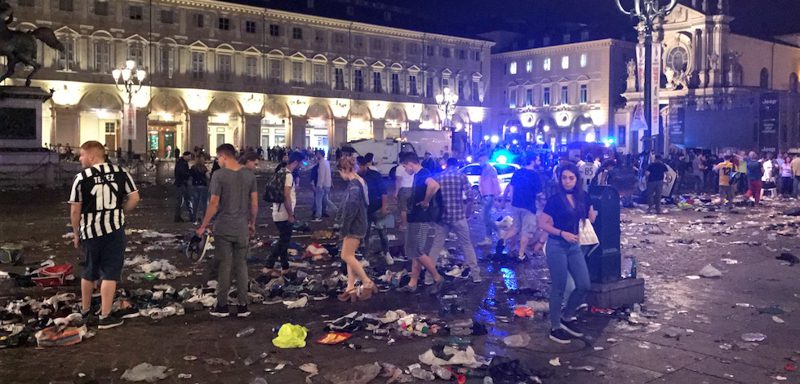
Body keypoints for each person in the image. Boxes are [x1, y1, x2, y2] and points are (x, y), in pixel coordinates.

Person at [69, 141, 140, 329]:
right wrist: (121, 212)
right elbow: (134, 198)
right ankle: (105, 316)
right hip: (114, 230)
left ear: (92, 156)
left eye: (82, 155)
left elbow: (75, 210)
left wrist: (76, 233)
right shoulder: (121, 173)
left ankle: (86, 311)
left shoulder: (81, 178)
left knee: (89, 271)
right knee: (110, 272)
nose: (80, 158)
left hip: (90, 232)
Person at [196, 144, 258, 318]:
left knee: (225, 265)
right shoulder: (249, 175)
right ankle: (243, 305)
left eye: (218, 158)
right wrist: (252, 223)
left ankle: (222, 305)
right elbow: (254, 204)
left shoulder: (219, 175)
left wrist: (203, 225)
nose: (218, 161)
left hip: (224, 227)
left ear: (223, 156)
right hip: (242, 228)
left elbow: (214, 203)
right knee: (241, 265)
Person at [537, 163, 596, 344]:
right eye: (564, 178)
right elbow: (543, 223)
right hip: (557, 245)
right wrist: (562, 233)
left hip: (574, 246)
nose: (567, 181)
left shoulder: (582, 196)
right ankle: (555, 327)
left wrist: (591, 214)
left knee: (584, 284)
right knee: (559, 287)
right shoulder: (555, 200)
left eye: (571, 178)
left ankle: (567, 316)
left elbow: (589, 216)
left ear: (577, 179)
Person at [397, 153, 446, 294]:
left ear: (410, 163)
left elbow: (434, 185)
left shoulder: (423, 174)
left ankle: (437, 278)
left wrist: (426, 201)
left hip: (420, 218)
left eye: (405, 166)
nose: (405, 169)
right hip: (416, 218)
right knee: (414, 252)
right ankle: (413, 283)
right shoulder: (419, 175)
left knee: (417, 251)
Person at [428, 158, 482, 283]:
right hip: (458, 216)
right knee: (467, 244)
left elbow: (431, 196)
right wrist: (468, 211)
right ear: (457, 166)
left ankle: (428, 278)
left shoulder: (438, 177)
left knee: (436, 246)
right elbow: (470, 196)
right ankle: (476, 275)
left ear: (446, 165)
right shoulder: (461, 176)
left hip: (442, 217)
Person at [335, 157, 379, 302]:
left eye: (340, 172)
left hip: (355, 224)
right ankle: (350, 287)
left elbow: (351, 208)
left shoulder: (354, 185)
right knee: (350, 255)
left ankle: (367, 282)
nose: (340, 176)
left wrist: (344, 227)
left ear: (344, 170)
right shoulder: (361, 181)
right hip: (361, 221)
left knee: (346, 255)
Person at [264, 152, 304, 276]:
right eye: (300, 163)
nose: (300, 166)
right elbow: (286, 196)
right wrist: (290, 215)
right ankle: (268, 265)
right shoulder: (288, 175)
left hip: (277, 211)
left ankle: (285, 267)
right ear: (296, 162)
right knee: (283, 241)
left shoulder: (280, 171)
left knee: (284, 241)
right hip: (284, 213)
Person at [500, 153, 544, 261]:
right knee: (526, 232)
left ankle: (502, 240)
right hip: (529, 207)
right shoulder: (535, 176)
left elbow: (511, 188)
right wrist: (543, 203)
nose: (539, 162)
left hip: (516, 204)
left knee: (515, 228)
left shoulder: (518, 173)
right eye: (538, 160)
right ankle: (521, 255)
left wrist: (510, 201)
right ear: (533, 161)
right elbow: (539, 194)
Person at [357, 156, 394, 265]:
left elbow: (383, 191)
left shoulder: (375, 175)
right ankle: (365, 257)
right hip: (364, 210)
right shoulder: (356, 177)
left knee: (382, 232)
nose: (356, 169)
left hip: (377, 208)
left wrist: (384, 206)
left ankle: (387, 253)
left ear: (363, 166)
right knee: (365, 234)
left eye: (357, 166)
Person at [477, 153, 501, 246]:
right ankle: (489, 237)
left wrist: (496, 197)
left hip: (489, 196)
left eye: (481, 160)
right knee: (486, 217)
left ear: (486, 159)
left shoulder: (490, 170)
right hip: (486, 196)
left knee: (485, 217)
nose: (479, 162)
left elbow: (495, 183)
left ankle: (498, 231)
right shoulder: (485, 170)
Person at [395, 152, 415, 229]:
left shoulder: (399, 168)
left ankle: (404, 225)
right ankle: (411, 224)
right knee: (410, 208)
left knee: (403, 209)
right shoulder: (412, 167)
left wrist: (396, 192)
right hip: (412, 189)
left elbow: (398, 181)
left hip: (403, 189)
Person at [313, 149, 333, 221]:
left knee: (318, 201)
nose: (316, 155)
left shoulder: (322, 163)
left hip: (322, 185)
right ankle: (337, 210)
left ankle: (318, 215)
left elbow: (321, 175)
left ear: (320, 155)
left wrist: (319, 185)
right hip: (327, 184)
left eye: (317, 154)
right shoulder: (327, 162)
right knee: (326, 200)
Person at [174, 152, 194, 222]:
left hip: (181, 184)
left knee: (181, 201)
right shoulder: (182, 163)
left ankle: (178, 216)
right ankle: (191, 216)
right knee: (185, 200)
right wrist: (190, 173)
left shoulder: (181, 162)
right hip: (182, 184)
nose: (190, 158)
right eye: (189, 156)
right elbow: (183, 173)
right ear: (185, 156)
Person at [189, 155, 210, 223]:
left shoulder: (193, 167)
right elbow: (208, 176)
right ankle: (204, 217)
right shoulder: (204, 168)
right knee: (203, 203)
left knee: (195, 202)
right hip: (203, 186)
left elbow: (190, 176)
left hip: (195, 186)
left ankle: (195, 217)